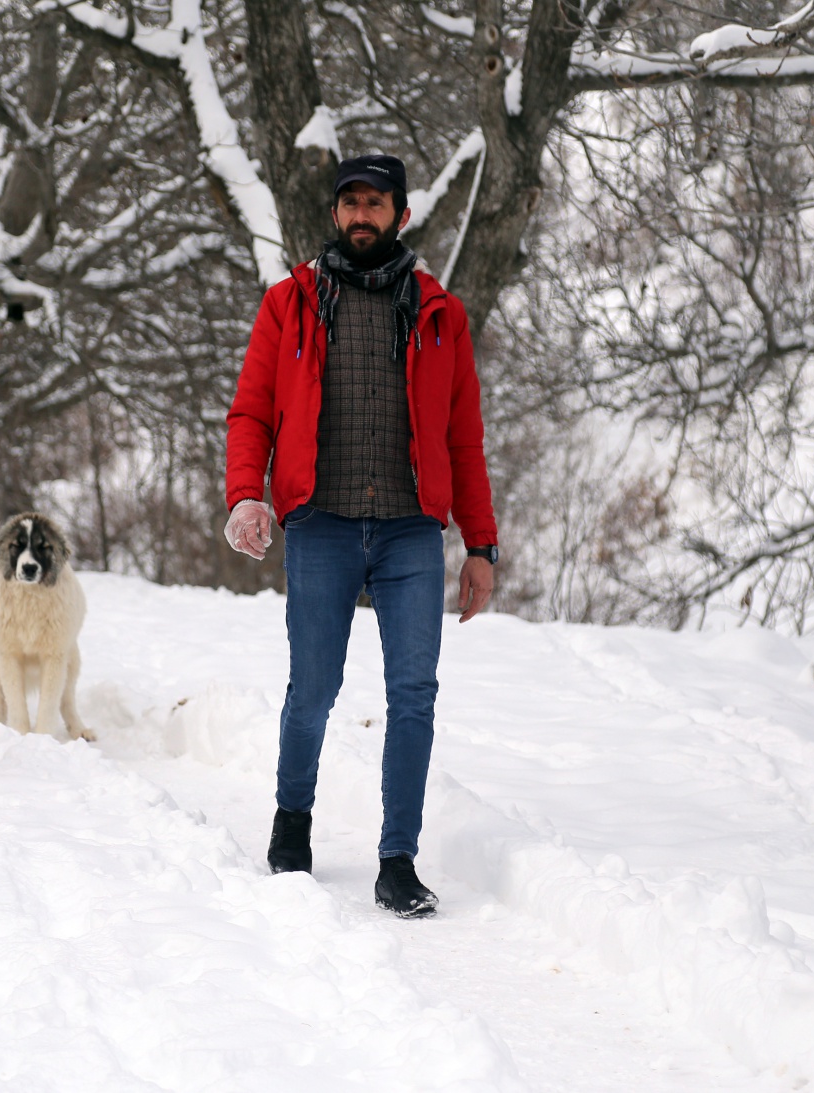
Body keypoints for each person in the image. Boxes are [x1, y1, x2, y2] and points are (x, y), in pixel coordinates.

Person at [222, 153, 498, 918]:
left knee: (414, 694)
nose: (361, 215)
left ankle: (397, 858)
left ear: (402, 214)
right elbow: (250, 411)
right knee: (313, 688)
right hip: (323, 524)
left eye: (376, 202)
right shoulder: (290, 304)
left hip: (412, 530)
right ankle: (292, 821)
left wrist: (480, 544)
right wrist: (247, 495)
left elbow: (464, 437)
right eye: (350, 204)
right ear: (335, 215)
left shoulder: (441, 313)